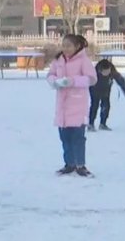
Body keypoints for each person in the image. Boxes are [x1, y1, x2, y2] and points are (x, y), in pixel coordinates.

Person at [47, 34, 97, 178]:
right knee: (65, 138)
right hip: (62, 107)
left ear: (77, 46)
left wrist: (72, 81)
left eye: (69, 46)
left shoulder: (83, 60)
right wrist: (55, 81)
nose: (65, 49)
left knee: (78, 138)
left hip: (77, 106)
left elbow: (91, 79)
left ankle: (81, 165)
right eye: (64, 45)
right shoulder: (58, 60)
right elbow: (50, 75)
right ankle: (69, 164)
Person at [88, 59, 125, 132]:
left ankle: (103, 124)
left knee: (106, 106)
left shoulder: (113, 72)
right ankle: (91, 124)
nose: (107, 73)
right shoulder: (94, 73)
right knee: (94, 105)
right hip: (94, 90)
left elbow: (122, 82)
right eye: (105, 72)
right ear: (100, 70)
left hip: (106, 91)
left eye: (108, 71)